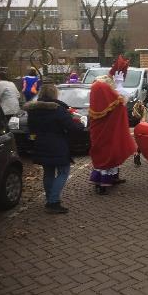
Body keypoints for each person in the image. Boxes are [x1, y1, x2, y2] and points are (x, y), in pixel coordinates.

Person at [25, 84, 85, 213]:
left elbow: (30, 127)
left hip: (41, 143)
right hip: (57, 144)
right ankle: (53, 201)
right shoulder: (58, 109)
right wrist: (80, 124)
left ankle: (49, 199)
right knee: (64, 171)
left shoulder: (33, 110)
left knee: (48, 172)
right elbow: (71, 127)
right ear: (54, 94)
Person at [89, 75, 137, 195]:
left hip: (99, 134)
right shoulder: (114, 103)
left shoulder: (99, 101)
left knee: (106, 155)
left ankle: (112, 177)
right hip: (108, 135)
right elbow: (123, 105)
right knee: (108, 155)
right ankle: (102, 184)